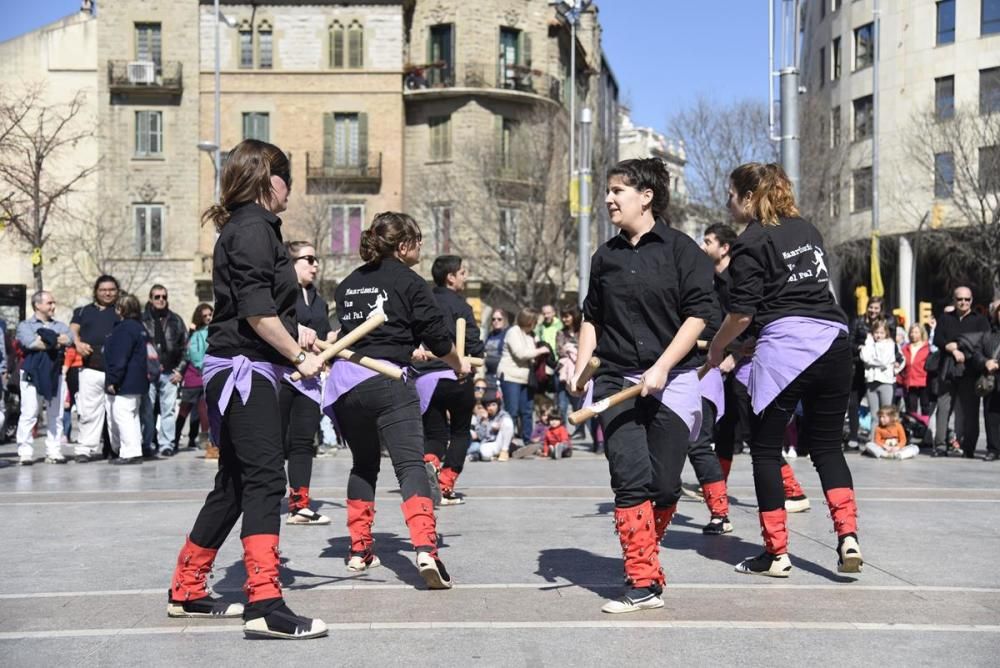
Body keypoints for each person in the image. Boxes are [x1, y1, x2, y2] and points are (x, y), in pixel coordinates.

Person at [167, 139, 327, 639]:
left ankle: (187, 588)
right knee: (265, 480)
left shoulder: (243, 228)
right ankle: (264, 602)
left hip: (241, 365)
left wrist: (297, 336)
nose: (290, 193)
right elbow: (256, 314)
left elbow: (255, 309)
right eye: (288, 182)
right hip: (245, 371)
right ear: (267, 180)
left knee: (235, 483)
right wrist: (299, 358)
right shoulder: (255, 228)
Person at [571, 158, 715, 614]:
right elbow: (592, 316)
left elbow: (698, 315)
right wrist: (580, 368)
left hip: (672, 380)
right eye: (608, 192)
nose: (609, 199)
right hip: (615, 378)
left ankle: (645, 562)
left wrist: (662, 366)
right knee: (630, 478)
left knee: (665, 486)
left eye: (618, 190)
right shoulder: (605, 257)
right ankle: (643, 579)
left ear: (646, 195)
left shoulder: (681, 250)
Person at [707, 162, 861, 578]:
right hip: (834, 341)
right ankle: (848, 536)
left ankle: (776, 554)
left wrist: (718, 347)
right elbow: (801, 295)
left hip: (789, 352)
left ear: (749, 196)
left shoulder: (751, 240)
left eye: (732, 193)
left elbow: (741, 313)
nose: (728, 201)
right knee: (828, 448)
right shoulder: (808, 230)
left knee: (765, 450)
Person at [327, 211, 469, 587]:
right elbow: (439, 338)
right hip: (388, 381)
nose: (421, 247)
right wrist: (458, 364)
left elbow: (352, 333)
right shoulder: (409, 281)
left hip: (346, 385)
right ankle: (426, 550)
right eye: (418, 240)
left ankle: (359, 550)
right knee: (409, 466)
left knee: (363, 464)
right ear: (403, 245)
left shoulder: (347, 284)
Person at [701, 222, 809, 513]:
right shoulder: (712, 281)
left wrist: (734, 356)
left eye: (708, 241)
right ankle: (716, 491)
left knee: (756, 432)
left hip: (749, 365)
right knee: (725, 430)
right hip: (727, 363)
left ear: (724, 248)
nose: (703, 246)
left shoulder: (740, 274)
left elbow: (750, 319)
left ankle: (794, 491)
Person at [416, 254, 485, 506]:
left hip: (426, 380)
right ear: (451, 277)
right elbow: (474, 343)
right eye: (463, 272)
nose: (465, 278)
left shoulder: (423, 302)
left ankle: (430, 463)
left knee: (434, 434)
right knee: (459, 432)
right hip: (456, 374)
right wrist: (475, 357)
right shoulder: (460, 306)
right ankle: (445, 484)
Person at [281, 241, 333, 526]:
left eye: (316, 259)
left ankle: (300, 505)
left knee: (303, 442)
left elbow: (321, 337)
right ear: (292, 263)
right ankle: (255, 497)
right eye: (309, 259)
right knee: (273, 441)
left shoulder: (319, 300)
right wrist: (294, 329)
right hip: (281, 375)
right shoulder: (280, 295)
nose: (315, 265)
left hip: (309, 381)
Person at [15, 290, 74, 465]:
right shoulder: (25, 325)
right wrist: (55, 342)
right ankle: (25, 452)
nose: (53, 306)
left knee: (56, 414)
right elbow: (30, 343)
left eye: (53, 303)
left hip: (54, 373)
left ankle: (54, 451)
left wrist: (47, 339)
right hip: (32, 374)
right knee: (30, 412)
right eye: (49, 303)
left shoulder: (60, 325)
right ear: (37, 305)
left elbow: (68, 339)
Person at [933, 287, 990, 458]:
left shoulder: (980, 320)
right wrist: (947, 347)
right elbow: (938, 339)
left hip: (969, 370)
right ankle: (941, 446)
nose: (963, 302)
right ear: (954, 300)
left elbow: (982, 342)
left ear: (972, 300)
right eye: (960, 299)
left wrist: (957, 347)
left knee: (971, 411)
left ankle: (969, 447)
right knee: (943, 409)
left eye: (967, 299)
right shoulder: (945, 318)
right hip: (947, 370)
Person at [70, 275, 121, 463]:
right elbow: (73, 329)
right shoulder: (83, 311)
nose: (107, 293)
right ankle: (85, 449)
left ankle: (118, 448)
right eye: (103, 290)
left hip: (116, 371)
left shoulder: (121, 311)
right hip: (90, 368)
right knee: (89, 413)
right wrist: (77, 343)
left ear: (117, 291)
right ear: (96, 291)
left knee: (117, 414)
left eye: (111, 289)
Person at [104, 293, 151, 466]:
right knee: (132, 416)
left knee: (123, 416)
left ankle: (130, 452)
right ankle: (133, 449)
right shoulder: (140, 327)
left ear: (120, 309)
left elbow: (119, 358)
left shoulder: (123, 329)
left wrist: (113, 381)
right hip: (138, 380)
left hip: (126, 381)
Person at [141, 285, 188, 457]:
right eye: (157, 297)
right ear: (150, 299)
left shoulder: (176, 320)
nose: (161, 300)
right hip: (148, 372)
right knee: (147, 410)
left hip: (170, 373)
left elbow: (186, 347)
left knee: (168, 411)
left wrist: (180, 370)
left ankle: (166, 444)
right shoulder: (143, 320)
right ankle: (146, 443)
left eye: (164, 296)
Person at [847, 296, 898, 449]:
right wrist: (862, 349)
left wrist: (872, 356)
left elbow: (891, 346)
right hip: (859, 367)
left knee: (885, 408)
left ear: (881, 309)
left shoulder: (889, 322)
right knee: (854, 403)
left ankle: (888, 438)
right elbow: (850, 341)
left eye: (876, 308)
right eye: (871, 307)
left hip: (881, 373)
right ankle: (854, 437)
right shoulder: (858, 321)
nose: (873, 310)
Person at [498, 307, 550, 450]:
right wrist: (540, 350)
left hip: (526, 378)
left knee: (527, 411)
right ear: (529, 321)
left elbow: (532, 356)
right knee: (512, 411)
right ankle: (508, 442)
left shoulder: (530, 335)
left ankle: (528, 440)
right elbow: (520, 354)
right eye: (535, 321)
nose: (536, 324)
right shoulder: (513, 332)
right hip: (511, 377)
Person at [173, 303, 214, 455]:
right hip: (193, 376)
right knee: (185, 408)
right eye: (205, 316)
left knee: (203, 409)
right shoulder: (195, 334)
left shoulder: (212, 331)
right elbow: (191, 355)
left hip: (205, 375)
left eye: (210, 314)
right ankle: (176, 439)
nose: (208, 318)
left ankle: (204, 440)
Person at [973, 302, 1000, 462]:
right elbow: (976, 352)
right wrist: (985, 362)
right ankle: (993, 449)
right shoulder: (988, 334)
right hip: (991, 380)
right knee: (991, 416)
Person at [860, 319, 903, 413]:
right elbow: (864, 357)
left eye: (882, 333)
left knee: (886, 413)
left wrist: (870, 361)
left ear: (886, 333)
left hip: (885, 381)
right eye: (876, 332)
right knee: (874, 414)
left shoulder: (890, 344)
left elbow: (883, 361)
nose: (879, 335)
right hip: (871, 381)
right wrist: (868, 342)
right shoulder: (869, 343)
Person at [468, 388, 514, 461]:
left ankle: (505, 451)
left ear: (498, 405)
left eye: (493, 405)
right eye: (488, 405)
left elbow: (509, 427)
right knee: (483, 451)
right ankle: (500, 454)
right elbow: (480, 436)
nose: (491, 407)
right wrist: (484, 422)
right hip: (489, 444)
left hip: (500, 441)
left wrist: (499, 427)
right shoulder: (481, 417)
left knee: (507, 422)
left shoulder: (503, 415)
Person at [899, 322, 931, 417]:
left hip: (924, 382)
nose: (913, 334)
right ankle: (913, 429)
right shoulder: (905, 348)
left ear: (921, 333)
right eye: (912, 332)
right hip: (910, 382)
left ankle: (925, 429)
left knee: (925, 408)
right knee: (911, 410)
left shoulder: (928, 348)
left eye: (916, 332)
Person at [483, 309, 508, 383]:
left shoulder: (507, 334)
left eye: (499, 319)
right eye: (493, 319)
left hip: (502, 374)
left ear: (504, 320)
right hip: (488, 373)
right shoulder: (490, 334)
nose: (496, 321)